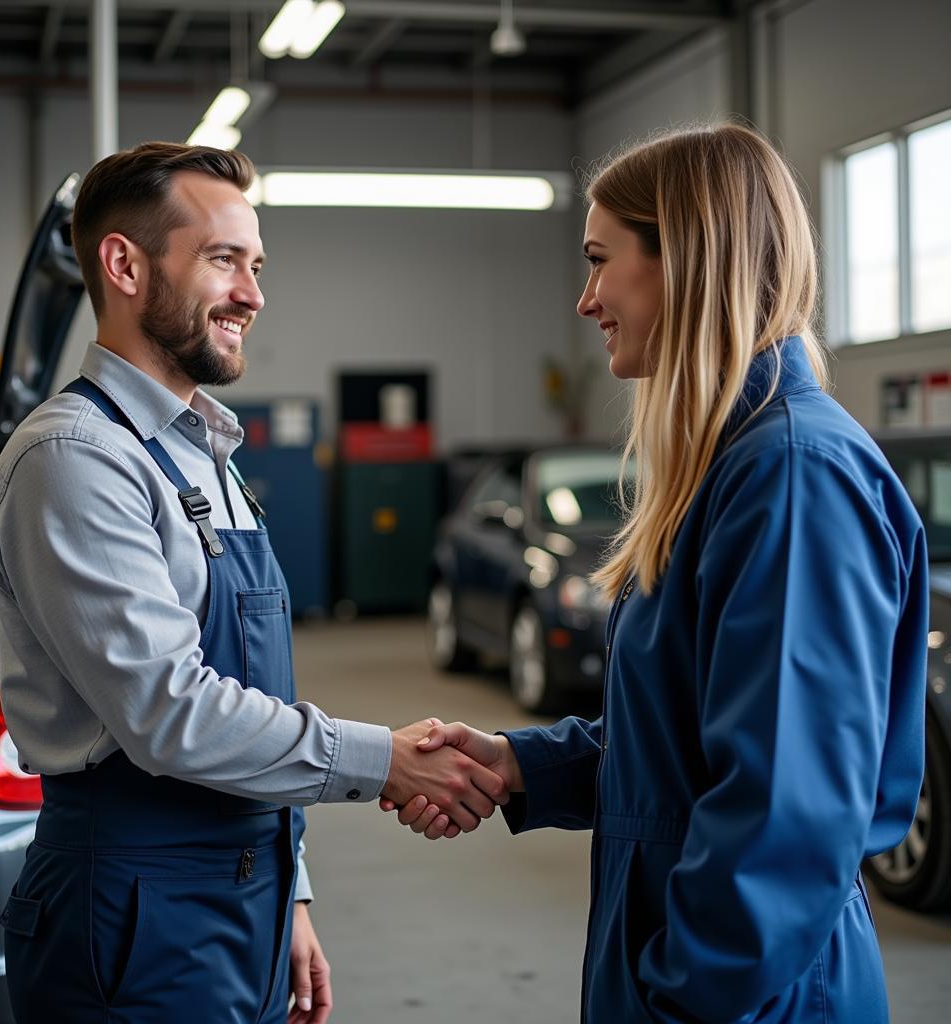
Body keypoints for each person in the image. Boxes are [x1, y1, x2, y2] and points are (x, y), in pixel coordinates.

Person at [387, 124, 929, 1023]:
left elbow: (784, 818)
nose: (585, 297)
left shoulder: (792, 475)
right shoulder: (727, 467)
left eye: (601, 260)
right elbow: (679, 739)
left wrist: (681, 999)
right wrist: (521, 765)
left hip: (749, 999)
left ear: (684, 259)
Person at [0, 142, 507, 1024]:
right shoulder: (74, 459)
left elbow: (255, 690)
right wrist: (385, 761)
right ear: (124, 265)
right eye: (224, 260)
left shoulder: (206, 454)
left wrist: (286, 891)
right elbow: (168, 712)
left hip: (240, 897)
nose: (254, 295)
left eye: (255, 266)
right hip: (131, 909)